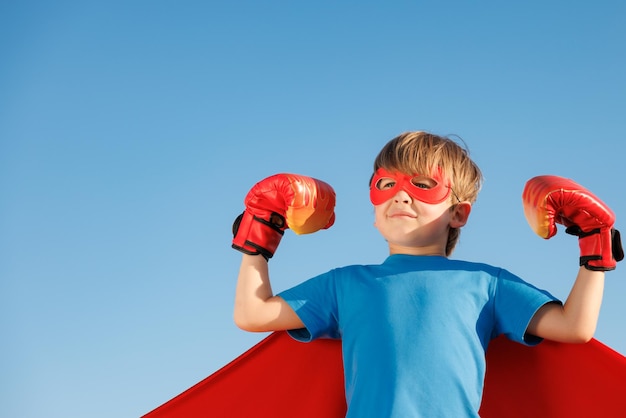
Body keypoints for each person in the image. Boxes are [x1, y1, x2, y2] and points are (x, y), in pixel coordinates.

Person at [231, 131, 622, 417]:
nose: (401, 195)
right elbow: (252, 314)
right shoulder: (344, 283)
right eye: (386, 184)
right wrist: (260, 233)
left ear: (458, 213)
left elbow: (575, 327)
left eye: (422, 185)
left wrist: (595, 242)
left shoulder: (488, 283)